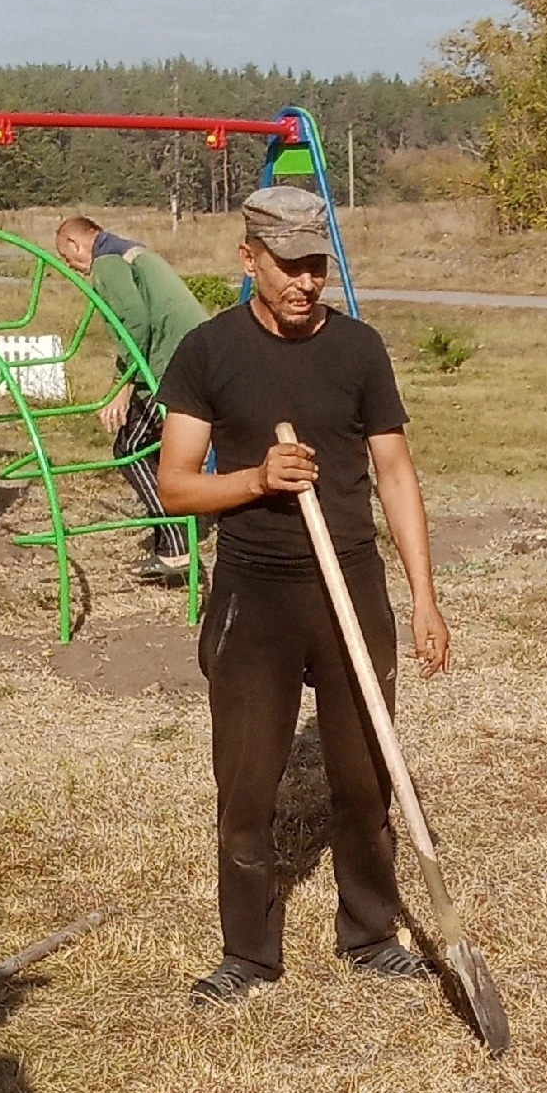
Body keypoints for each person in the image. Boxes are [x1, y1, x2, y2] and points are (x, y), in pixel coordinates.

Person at [154, 183, 452, 1005]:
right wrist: (254, 479)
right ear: (248, 259)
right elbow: (176, 487)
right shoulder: (208, 353)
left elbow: (395, 472)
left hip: (352, 585)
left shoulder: (358, 350)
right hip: (256, 595)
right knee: (246, 786)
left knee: (365, 778)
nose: (303, 283)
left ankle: (370, 932)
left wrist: (423, 597)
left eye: (315, 265)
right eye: (286, 266)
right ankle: (249, 954)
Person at [54, 212, 205, 580]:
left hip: (171, 362)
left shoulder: (107, 263)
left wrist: (123, 389)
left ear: (77, 242)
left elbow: (136, 322)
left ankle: (176, 549)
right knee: (157, 448)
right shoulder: (131, 252)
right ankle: (174, 534)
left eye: (66, 257)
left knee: (131, 450)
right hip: (192, 352)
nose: (71, 267)